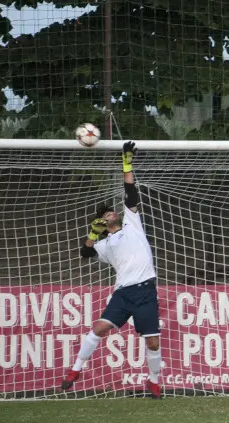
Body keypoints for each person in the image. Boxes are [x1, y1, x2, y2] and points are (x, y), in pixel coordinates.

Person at [60, 142, 162, 399]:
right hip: (122, 294)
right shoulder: (104, 244)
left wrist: (127, 165)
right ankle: (75, 370)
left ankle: (153, 382)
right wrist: (92, 235)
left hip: (145, 291)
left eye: (111, 210)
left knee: (152, 342)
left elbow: (130, 192)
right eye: (105, 214)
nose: (110, 212)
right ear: (103, 224)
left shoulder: (132, 224)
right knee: (98, 328)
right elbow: (85, 253)